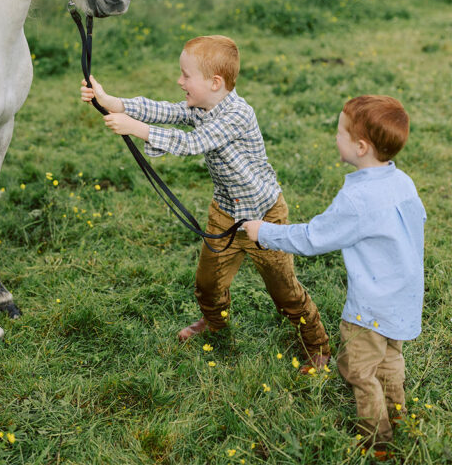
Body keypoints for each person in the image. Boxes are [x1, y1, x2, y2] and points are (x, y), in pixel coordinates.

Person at [80, 35, 330, 368]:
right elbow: (167, 111)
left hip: (264, 218)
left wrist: (136, 129)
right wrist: (113, 102)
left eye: (186, 75)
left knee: (285, 291)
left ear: (214, 83)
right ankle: (215, 323)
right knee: (208, 284)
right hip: (225, 214)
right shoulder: (202, 105)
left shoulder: (236, 115)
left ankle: (317, 344)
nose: (179, 81)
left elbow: (192, 143)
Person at [244, 96, 425, 453]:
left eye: (340, 131)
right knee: (389, 360)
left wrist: (263, 232)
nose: (335, 137)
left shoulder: (358, 199)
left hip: (370, 308)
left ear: (360, 147)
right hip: (402, 298)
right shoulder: (402, 181)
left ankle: (378, 441)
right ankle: (400, 416)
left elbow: (313, 238)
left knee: (357, 369)